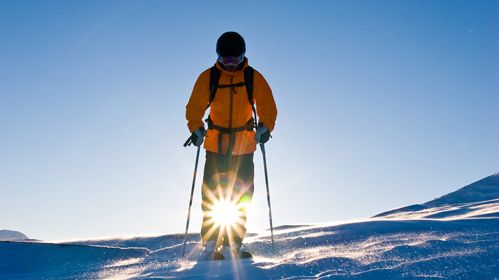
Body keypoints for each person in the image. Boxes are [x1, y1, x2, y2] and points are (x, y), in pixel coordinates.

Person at [185, 31, 277, 259]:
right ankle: (210, 244)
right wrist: (196, 128)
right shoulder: (209, 77)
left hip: (245, 146)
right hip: (216, 145)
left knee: (241, 196)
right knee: (212, 195)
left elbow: (267, 105)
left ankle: (234, 244)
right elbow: (194, 107)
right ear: (218, 56)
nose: (231, 64)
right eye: (226, 59)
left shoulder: (253, 77)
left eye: (235, 59)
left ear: (243, 56)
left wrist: (265, 127)